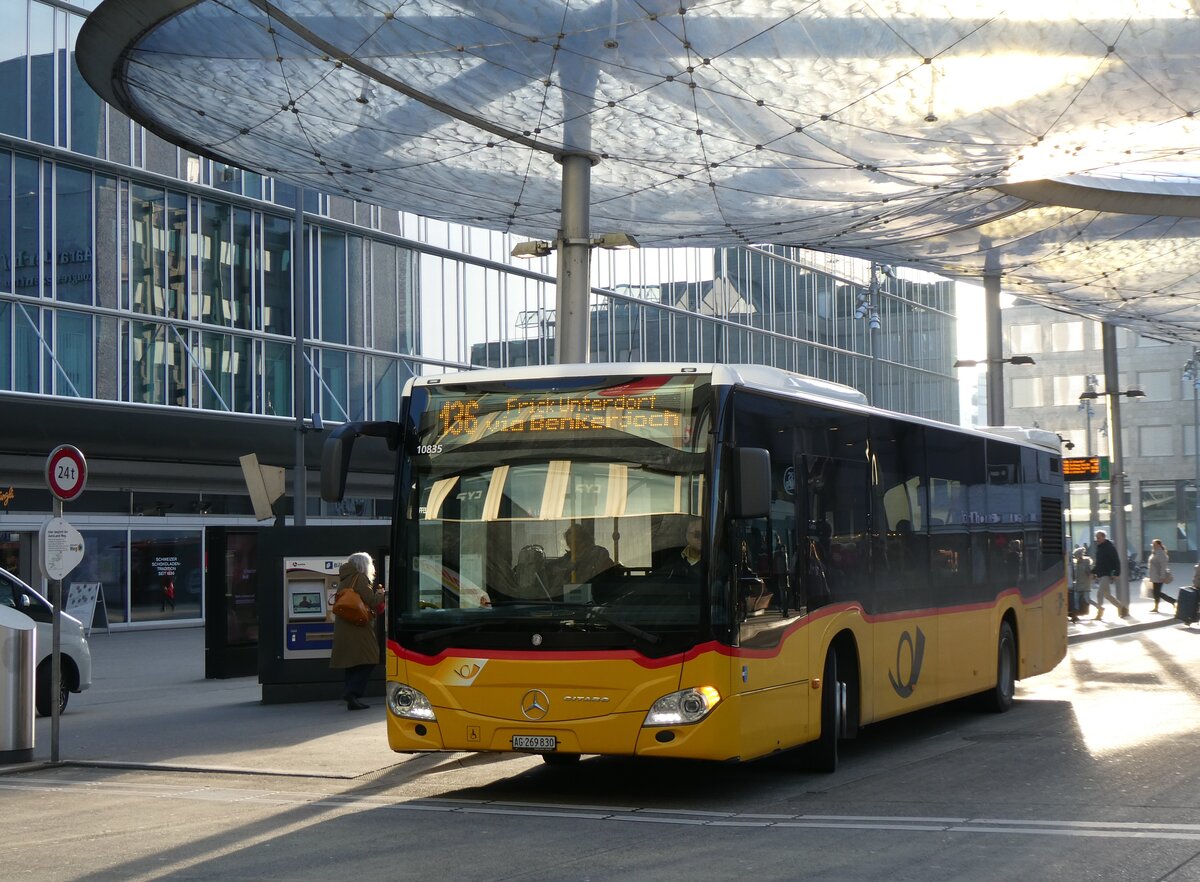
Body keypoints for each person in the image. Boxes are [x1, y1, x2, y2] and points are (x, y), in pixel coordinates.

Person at [330, 551, 384, 711]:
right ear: (364, 565)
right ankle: (351, 692)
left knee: (352, 664)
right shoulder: (360, 578)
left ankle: (351, 699)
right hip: (358, 626)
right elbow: (372, 601)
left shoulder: (345, 579)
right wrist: (381, 593)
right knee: (369, 659)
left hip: (345, 626)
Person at [656, 516, 703, 582]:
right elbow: (661, 580)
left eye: (703, 534)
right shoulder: (675, 557)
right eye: (697, 534)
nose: (700, 538)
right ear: (687, 535)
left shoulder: (713, 560)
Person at [1091, 530, 1125, 619]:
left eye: (1098, 537)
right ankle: (1121, 607)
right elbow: (1098, 563)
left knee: (1100, 593)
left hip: (1106, 574)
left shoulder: (1110, 547)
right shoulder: (1099, 548)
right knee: (1107, 595)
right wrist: (1093, 572)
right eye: (1096, 537)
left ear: (1103, 537)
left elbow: (1116, 561)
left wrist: (1116, 573)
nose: (1097, 539)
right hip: (1101, 574)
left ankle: (1099, 613)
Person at [1147, 538, 1174, 613]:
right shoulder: (1155, 553)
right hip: (1154, 576)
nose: (1153, 546)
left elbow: (1163, 566)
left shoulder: (1161, 553)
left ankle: (1173, 601)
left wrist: (1162, 576)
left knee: (1156, 592)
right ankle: (1156, 607)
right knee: (1156, 592)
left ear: (1159, 545)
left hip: (1159, 576)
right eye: (1153, 545)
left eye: (1155, 545)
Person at [1070, 546, 1092, 624]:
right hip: (1078, 585)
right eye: (1075, 556)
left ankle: (1099, 608)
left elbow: (1088, 573)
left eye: (1077, 556)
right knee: (1076, 600)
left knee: (1087, 600)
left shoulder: (1086, 562)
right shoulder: (1076, 564)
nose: (1076, 558)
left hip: (1085, 585)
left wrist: (1090, 575)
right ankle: (1075, 615)